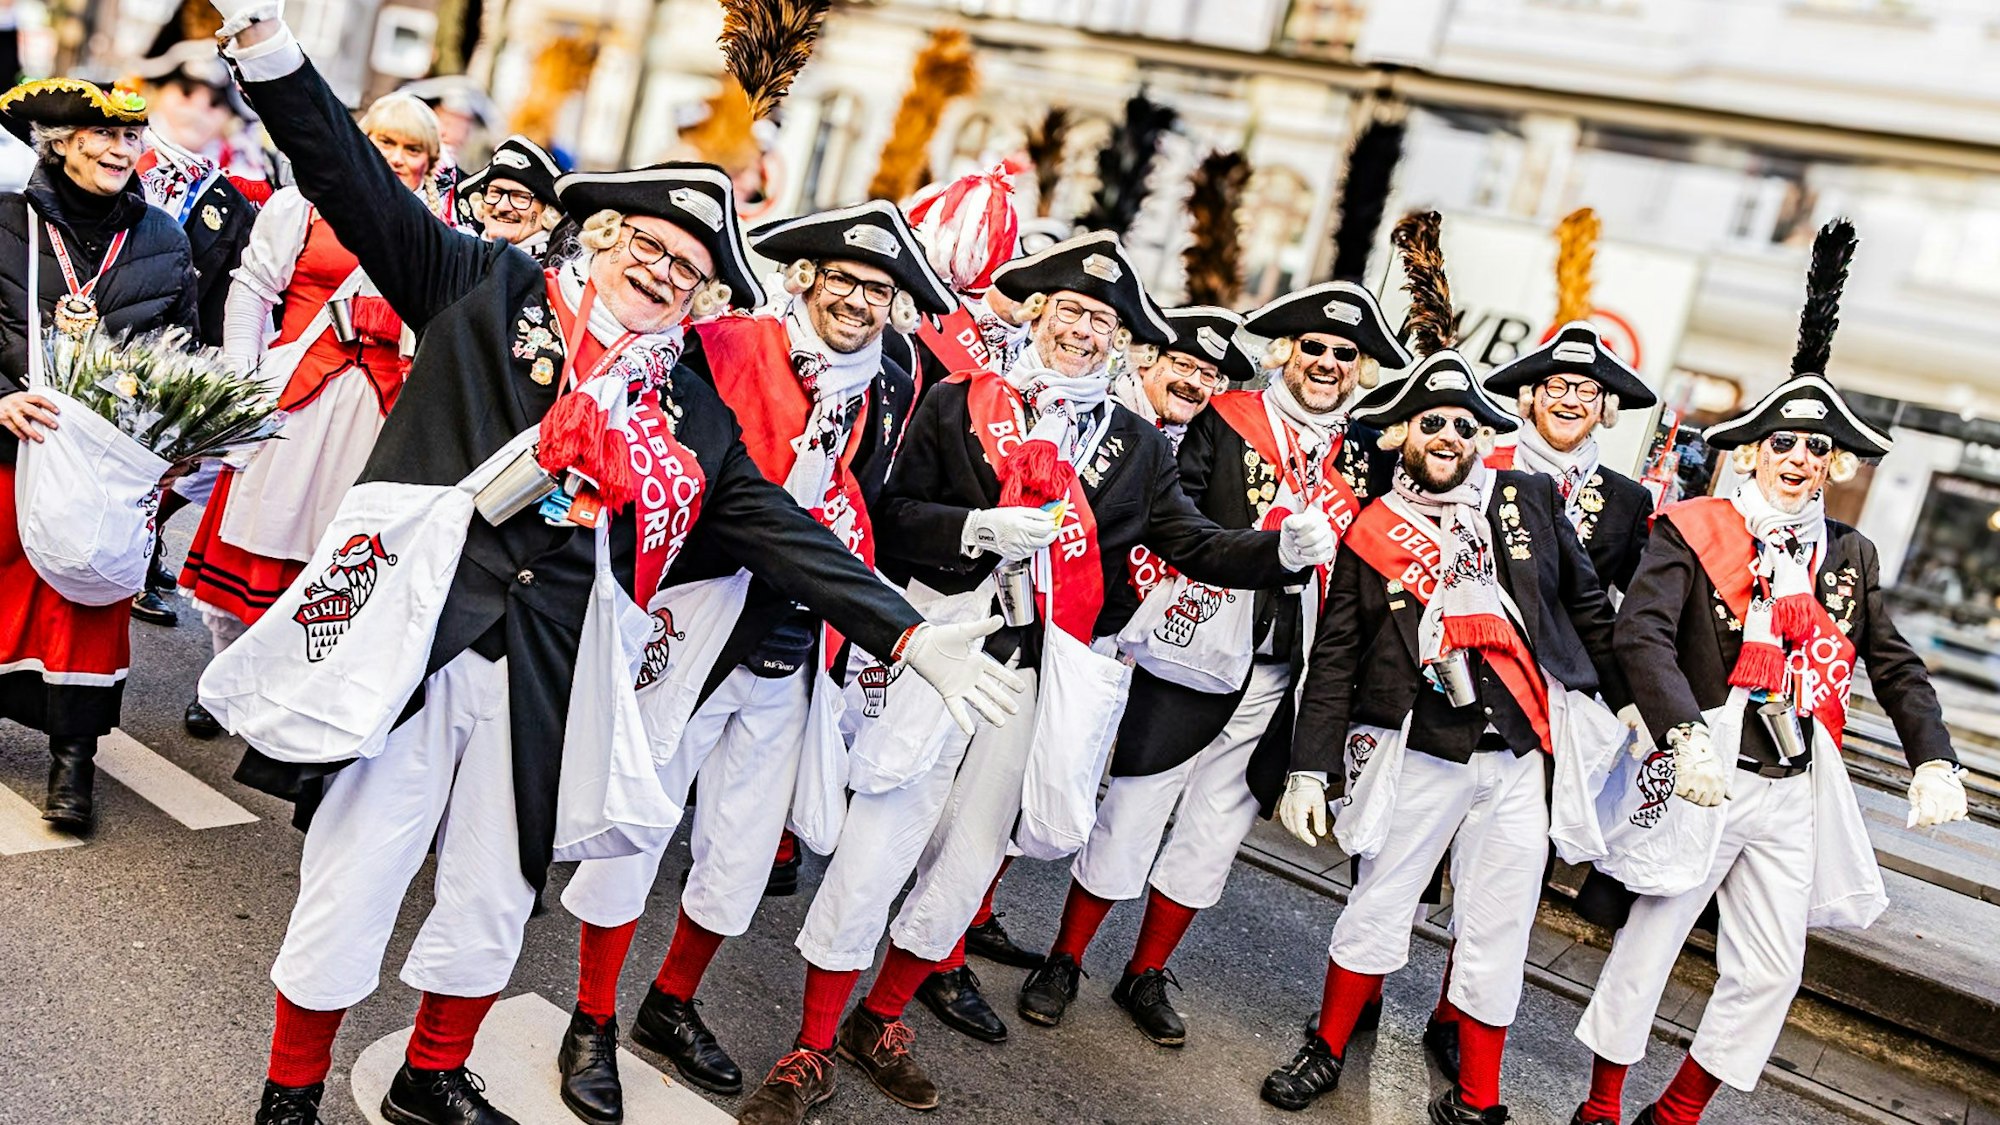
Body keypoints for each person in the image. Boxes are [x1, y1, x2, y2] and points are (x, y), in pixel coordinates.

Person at [205, 11, 1019, 1125]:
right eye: (648, 245)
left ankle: (432, 1076)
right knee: (359, 869)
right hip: (416, 630)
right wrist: (270, 56)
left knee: (498, 886)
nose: (663, 274)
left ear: (700, 299)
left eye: (687, 272)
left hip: (552, 663)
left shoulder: (685, 402)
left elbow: (777, 527)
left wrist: (910, 634)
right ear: (598, 237)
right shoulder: (480, 285)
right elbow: (348, 177)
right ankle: (288, 1094)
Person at [731, 231, 1340, 1125]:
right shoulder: (956, 403)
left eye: (1102, 320)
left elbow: (1191, 542)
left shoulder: (1135, 446)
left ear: (1119, 339)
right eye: (1070, 312)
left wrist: (1277, 551)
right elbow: (890, 518)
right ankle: (811, 1046)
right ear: (1040, 314)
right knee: (881, 838)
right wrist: (976, 530)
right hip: (939, 651)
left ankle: (882, 1018)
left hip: (1033, 674)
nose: (1083, 332)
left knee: (971, 851)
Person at [552, 199, 951, 1123]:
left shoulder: (890, 382)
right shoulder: (721, 344)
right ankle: (592, 1019)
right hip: (698, 616)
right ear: (805, 277)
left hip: (796, 647)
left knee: (738, 851)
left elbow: (874, 509)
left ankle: (671, 1002)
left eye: (879, 291)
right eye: (844, 280)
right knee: (636, 823)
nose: (859, 301)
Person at [1568, 220, 1968, 1125]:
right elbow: (1642, 639)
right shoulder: (1697, 528)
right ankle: (1600, 1106)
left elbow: (1896, 665)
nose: (1798, 460)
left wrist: (1932, 756)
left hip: (1792, 782)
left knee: (1770, 971)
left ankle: (1675, 1114)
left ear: (1833, 463)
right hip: (1707, 771)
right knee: (1651, 940)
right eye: (1783, 443)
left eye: (1815, 449)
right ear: (1753, 450)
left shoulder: (1849, 553)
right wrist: (1681, 733)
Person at [1261, 212, 1631, 1124]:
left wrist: (1630, 702)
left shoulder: (1526, 497)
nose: (1451, 436)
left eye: (1465, 424)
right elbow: (1336, 659)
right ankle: (1326, 1046)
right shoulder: (1372, 532)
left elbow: (1585, 607)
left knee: (1499, 927)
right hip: (1417, 746)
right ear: (1402, 434)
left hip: (1517, 759)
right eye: (1433, 422)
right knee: (1382, 902)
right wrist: (1310, 764)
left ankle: (1478, 1096)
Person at [1021, 287, 1411, 1047]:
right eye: (1313, 348)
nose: (1326, 363)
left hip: (1281, 672)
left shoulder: (1359, 455)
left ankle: (1145, 971)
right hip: (1192, 647)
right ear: (1284, 355)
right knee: (1134, 806)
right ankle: (1065, 957)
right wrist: (1260, 539)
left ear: (1358, 370)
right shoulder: (1225, 420)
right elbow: (1180, 514)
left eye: (1343, 354)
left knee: (1214, 831)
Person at [177, 90, 443, 739]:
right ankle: (222, 679)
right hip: (297, 391)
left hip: (376, 412)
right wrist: (242, 381)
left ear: (430, 163)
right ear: (359, 140)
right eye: (387, 141)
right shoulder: (301, 205)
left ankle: (287, 685)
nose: (399, 158)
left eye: (414, 149)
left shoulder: (439, 235)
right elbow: (252, 289)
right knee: (257, 529)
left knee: (330, 555)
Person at [0, 77, 196, 834]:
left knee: (90, 601)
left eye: (132, 136)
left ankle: (71, 763)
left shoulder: (164, 238)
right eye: (103, 135)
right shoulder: (6, 221)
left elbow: (184, 349)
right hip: (14, 439)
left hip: (106, 466)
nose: (122, 149)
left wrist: (176, 440)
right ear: (60, 142)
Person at [128, 95, 261, 627]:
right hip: (115, 327)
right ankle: (129, 560)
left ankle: (142, 552)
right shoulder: (129, 161)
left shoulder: (227, 196)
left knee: (173, 461)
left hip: (180, 343)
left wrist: (207, 359)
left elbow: (228, 284)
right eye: (187, 93)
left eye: (213, 102)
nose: (200, 109)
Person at [455, 134, 564, 262]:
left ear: (548, 212)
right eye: (495, 192)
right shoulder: (460, 258)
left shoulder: (558, 275)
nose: (502, 207)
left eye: (519, 197)